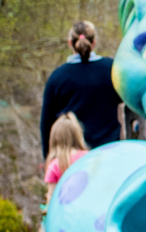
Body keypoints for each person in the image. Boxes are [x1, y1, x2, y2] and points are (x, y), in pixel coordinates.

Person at [39, 21, 123, 158]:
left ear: (70, 43)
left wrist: (48, 157)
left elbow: (46, 123)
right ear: (94, 42)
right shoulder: (112, 70)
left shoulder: (58, 77)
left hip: (72, 158)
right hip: (109, 153)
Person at [36, 113, 90, 232]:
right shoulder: (88, 158)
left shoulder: (54, 165)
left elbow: (51, 196)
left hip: (66, 216)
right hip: (88, 212)